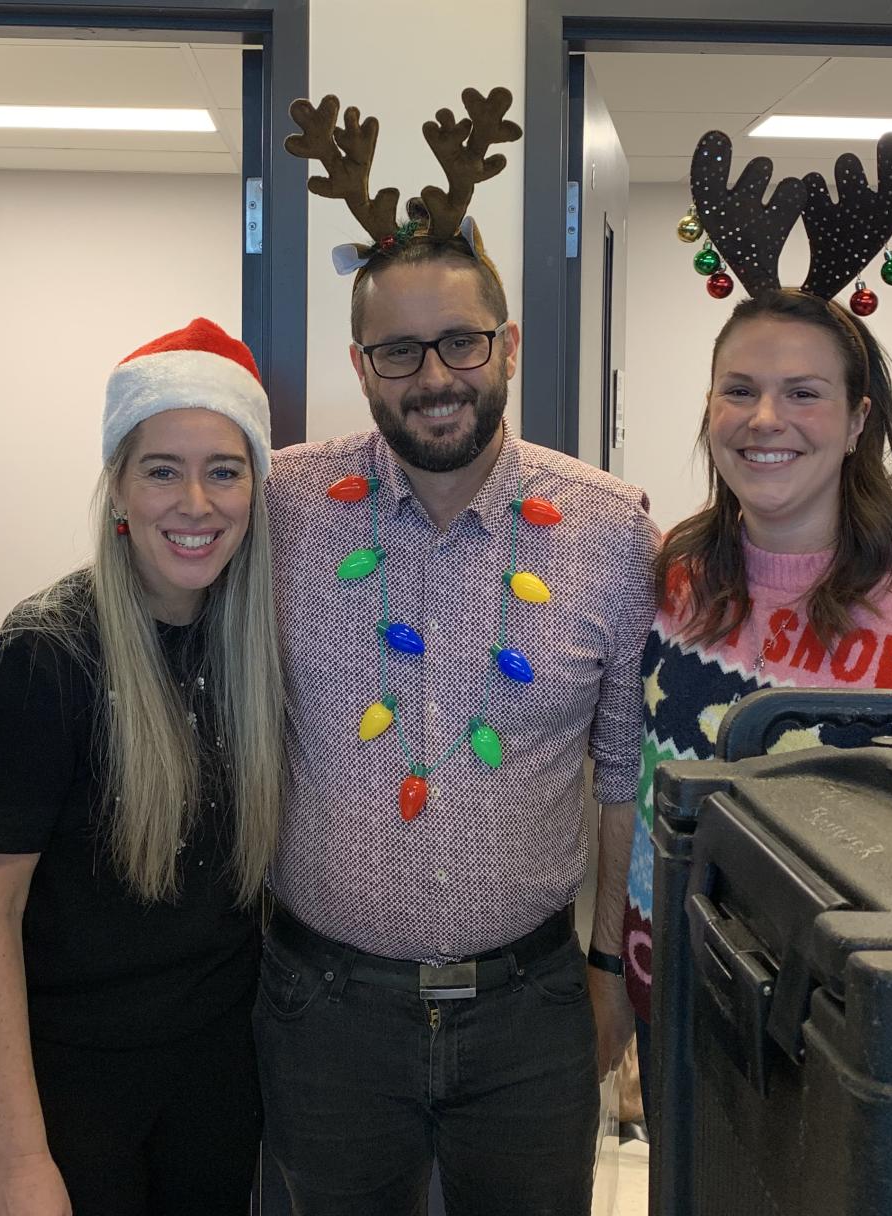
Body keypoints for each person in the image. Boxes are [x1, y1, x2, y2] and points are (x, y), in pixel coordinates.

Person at [257, 87, 660, 1216]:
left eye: (461, 342)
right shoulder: (285, 509)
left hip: (530, 1008)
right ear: (360, 361)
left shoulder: (612, 529)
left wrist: (604, 976)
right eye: (398, 351)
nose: (435, 376)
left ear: (510, 343)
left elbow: (623, 777)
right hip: (323, 1004)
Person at [622, 286, 892, 1117]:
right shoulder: (679, 573)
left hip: (840, 1037)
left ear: (860, 421)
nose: (764, 419)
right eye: (739, 389)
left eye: (804, 393)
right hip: (675, 990)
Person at [0, 318, 283, 1216]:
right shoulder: (44, 660)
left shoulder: (255, 643)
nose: (196, 503)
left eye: (225, 469)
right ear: (120, 490)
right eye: (162, 469)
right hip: (65, 1086)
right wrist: (21, 1161)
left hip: (213, 1077)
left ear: (256, 486)